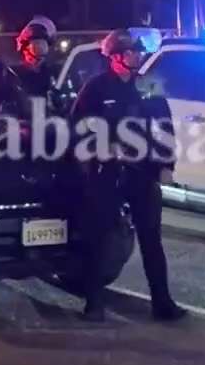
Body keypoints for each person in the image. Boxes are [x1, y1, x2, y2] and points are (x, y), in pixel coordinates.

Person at [70, 29, 183, 324]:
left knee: (152, 241)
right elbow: (78, 127)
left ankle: (163, 303)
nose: (137, 56)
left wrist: (166, 163)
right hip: (107, 173)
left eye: (137, 52)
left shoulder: (148, 86)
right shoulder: (96, 89)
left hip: (142, 173)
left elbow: (165, 128)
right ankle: (94, 304)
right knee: (100, 238)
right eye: (131, 52)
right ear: (116, 57)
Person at [10, 18, 57, 102]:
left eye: (42, 42)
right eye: (36, 42)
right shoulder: (14, 75)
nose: (40, 46)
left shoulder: (53, 73)